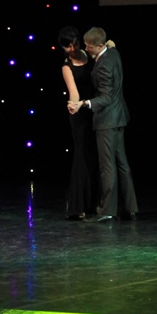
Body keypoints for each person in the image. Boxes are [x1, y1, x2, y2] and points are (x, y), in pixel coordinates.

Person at [68, 27, 138, 222]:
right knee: (122, 163)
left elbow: (106, 97)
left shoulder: (104, 65)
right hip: (119, 117)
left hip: (107, 120)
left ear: (100, 46)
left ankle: (107, 210)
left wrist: (84, 103)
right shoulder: (113, 53)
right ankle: (130, 207)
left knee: (108, 167)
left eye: (90, 47)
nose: (86, 49)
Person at [58, 26, 100, 220]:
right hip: (80, 113)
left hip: (96, 110)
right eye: (68, 47)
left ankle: (96, 203)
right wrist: (75, 105)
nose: (72, 49)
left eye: (74, 45)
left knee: (96, 156)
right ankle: (79, 206)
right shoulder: (67, 66)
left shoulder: (88, 53)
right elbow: (73, 92)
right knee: (82, 155)